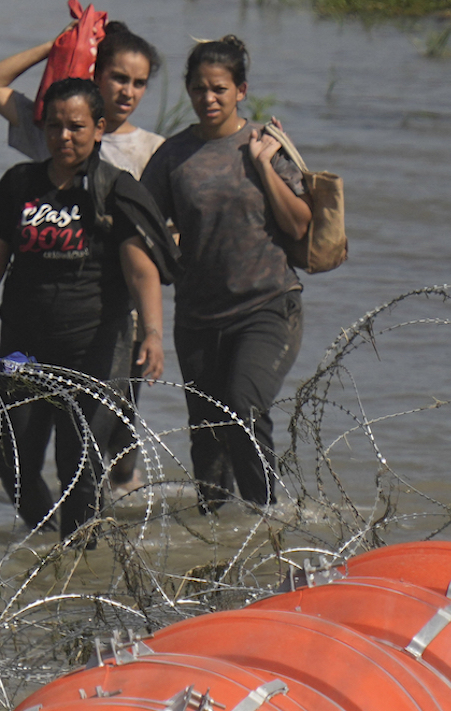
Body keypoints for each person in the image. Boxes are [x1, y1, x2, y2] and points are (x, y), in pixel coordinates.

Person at [0, 77, 173, 542]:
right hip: (23, 348)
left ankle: (82, 563)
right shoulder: (19, 185)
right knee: (14, 464)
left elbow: (140, 270)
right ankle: (54, 551)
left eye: (76, 127)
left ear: (98, 128)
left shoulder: (113, 189)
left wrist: (152, 331)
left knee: (78, 466)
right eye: (54, 126)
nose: (64, 136)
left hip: (95, 347)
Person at [141, 35, 310, 513]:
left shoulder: (265, 145)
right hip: (197, 317)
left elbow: (300, 223)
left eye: (218, 89)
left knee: (245, 406)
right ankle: (215, 540)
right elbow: (141, 230)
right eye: (198, 89)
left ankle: (269, 519)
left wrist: (262, 165)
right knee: (208, 440)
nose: (208, 99)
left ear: (241, 90)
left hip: (268, 305)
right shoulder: (172, 158)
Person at [0, 20, 165, 177]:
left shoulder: (154, 150)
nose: (128, 92)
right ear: (96, 75)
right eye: (119, 79)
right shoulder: (57, 133)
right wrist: (55, 46)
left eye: (139, 83)